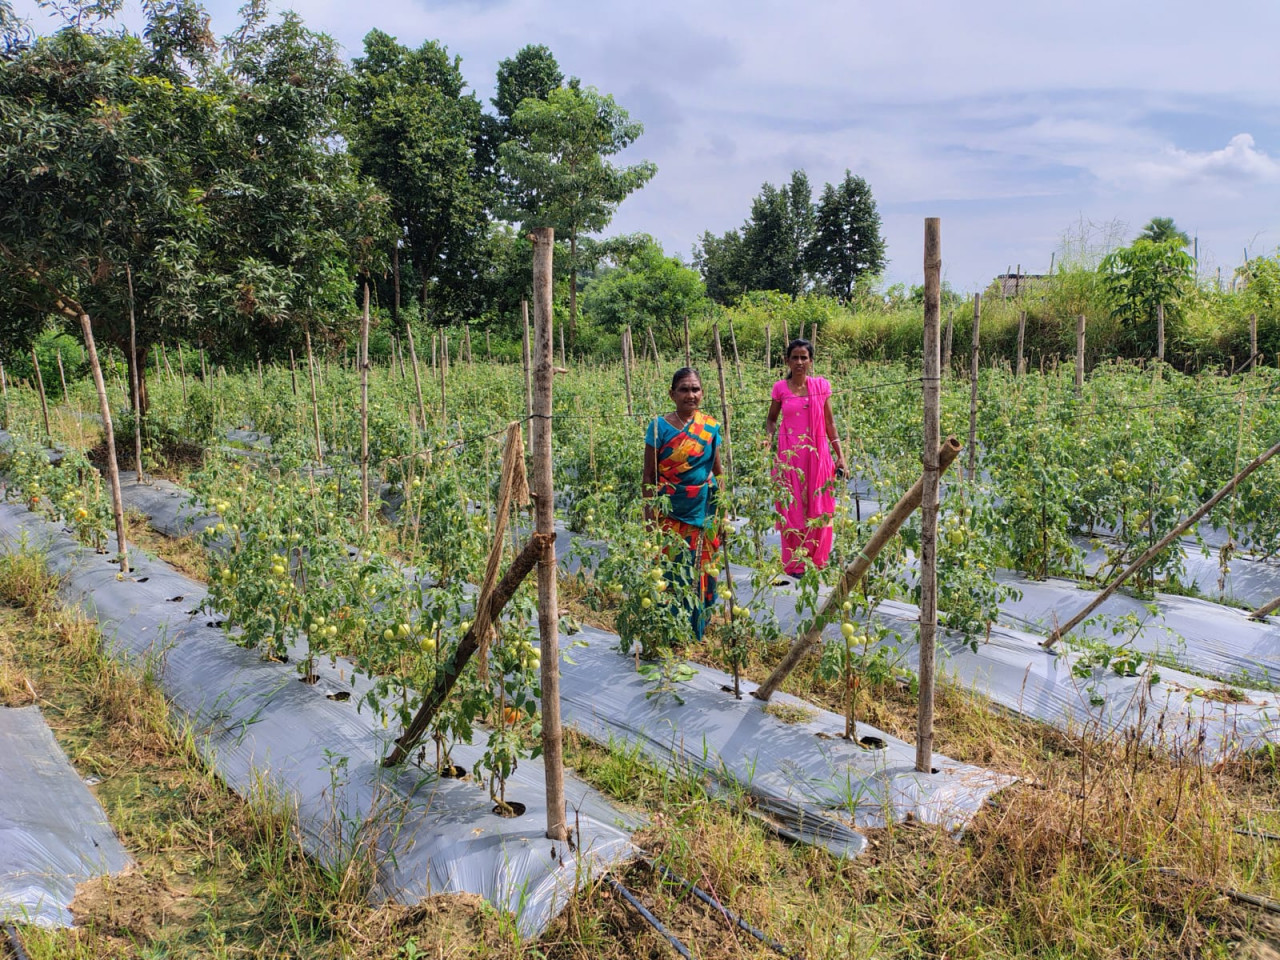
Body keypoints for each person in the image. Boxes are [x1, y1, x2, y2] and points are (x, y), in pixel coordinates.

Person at [642, 367, 722, 641]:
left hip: (703, 509)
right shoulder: (659, 427)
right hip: (670, 511)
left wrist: (721, 512)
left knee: (702, 567)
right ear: (672, 394)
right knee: (672, 568)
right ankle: (671, 629)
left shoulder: (709, 427)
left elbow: (718, 471)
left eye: (696, 389)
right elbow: (649, 477)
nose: (691, 395)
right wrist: (649, 516)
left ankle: (697, 626)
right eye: (684, 389)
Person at [766, 338, 846, 575]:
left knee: (818, 506)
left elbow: (830, 423)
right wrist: (767, 439)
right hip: (790, 456)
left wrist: (840, 456)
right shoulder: (780, 388)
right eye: (795, 357)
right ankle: (794, 564)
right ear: (787, 361)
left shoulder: (821, 386)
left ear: (811, 361)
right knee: (792, 505)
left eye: (804, 357)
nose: (799, 362)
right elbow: (771, 419)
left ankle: (817, 560)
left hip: (818, 456)